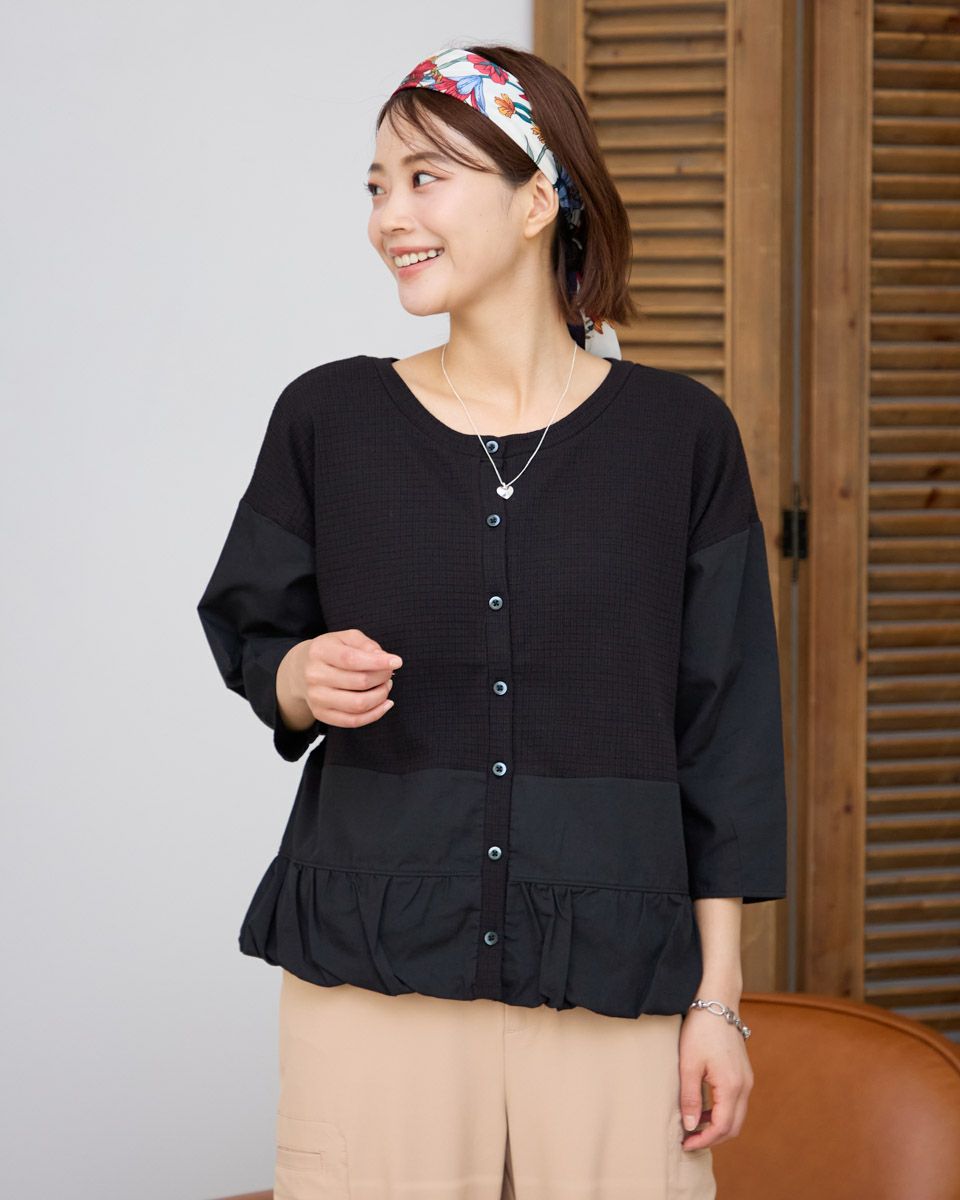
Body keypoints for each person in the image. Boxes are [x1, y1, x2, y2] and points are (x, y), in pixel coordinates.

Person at [196, 41, 788, 1200]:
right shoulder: (329, 418)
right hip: (373, 965)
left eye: (425, 177)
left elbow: (725, 729)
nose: (389, 216)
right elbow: (254, 631)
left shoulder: (680, 437)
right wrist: (298, 677)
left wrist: (719, 1001)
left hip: (616, 971)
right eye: (377, 185)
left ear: (536, 196)